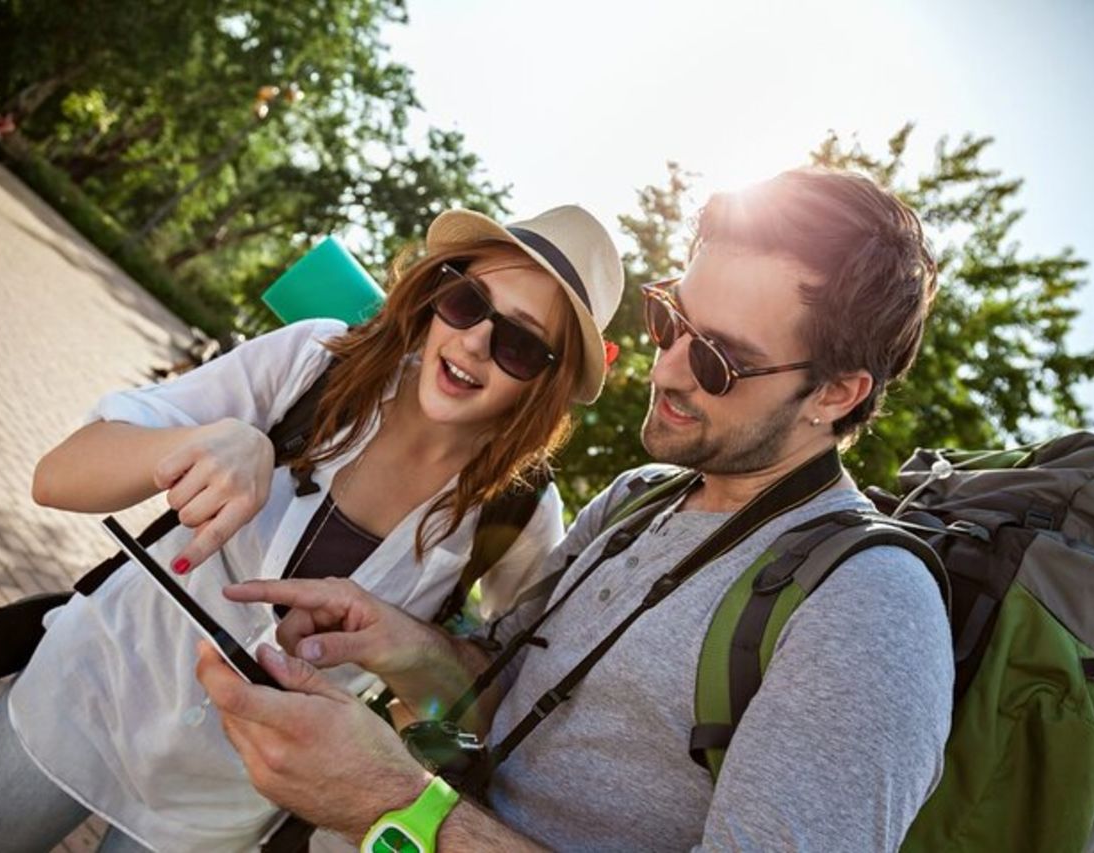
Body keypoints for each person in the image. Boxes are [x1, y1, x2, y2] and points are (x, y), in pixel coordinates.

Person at [194, 167, 956, 851]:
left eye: (717, 360)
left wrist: (389, 800)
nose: (666, 370)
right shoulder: (636, 499)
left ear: (835, 394)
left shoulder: (870, 608)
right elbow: (503, 694)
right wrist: (397, 641)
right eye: (668, 321)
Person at [0, 205, 624, 852]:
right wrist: (215, 439)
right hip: (88, 689)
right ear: (436, 293)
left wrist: (412, 654)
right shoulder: (312, 362)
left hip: (222, 805)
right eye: (468, 301)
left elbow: (485, 709)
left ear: (548, 380)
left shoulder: (520, 515)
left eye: (520, 342)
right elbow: (57, 475)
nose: (475, 339)